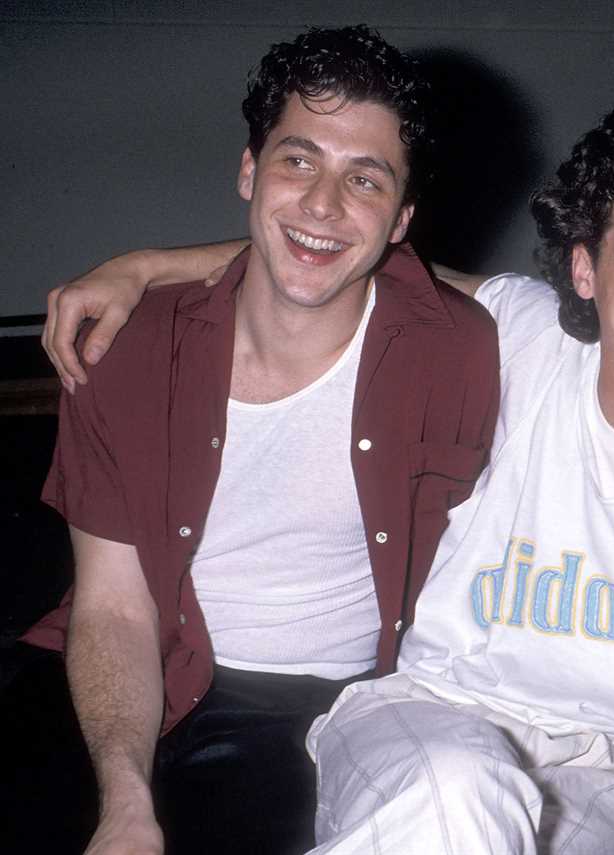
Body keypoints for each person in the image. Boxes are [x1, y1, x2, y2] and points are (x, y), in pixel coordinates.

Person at [39, 95, 614, 854]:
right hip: (421, 723)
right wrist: (147, 266)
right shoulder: (528, 341)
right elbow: (345, 257)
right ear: (583, 270)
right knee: (460, 789)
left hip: (603, 783)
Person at [3, 25, 499, 855]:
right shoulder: (125, 346)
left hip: (308, 710)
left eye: (364, 179)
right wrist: (125, 802)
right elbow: (115, 605)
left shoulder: (464, 352)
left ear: (402, 219)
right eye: (298, 161)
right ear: (249, 170)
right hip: (125, 653)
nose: (323, 203)